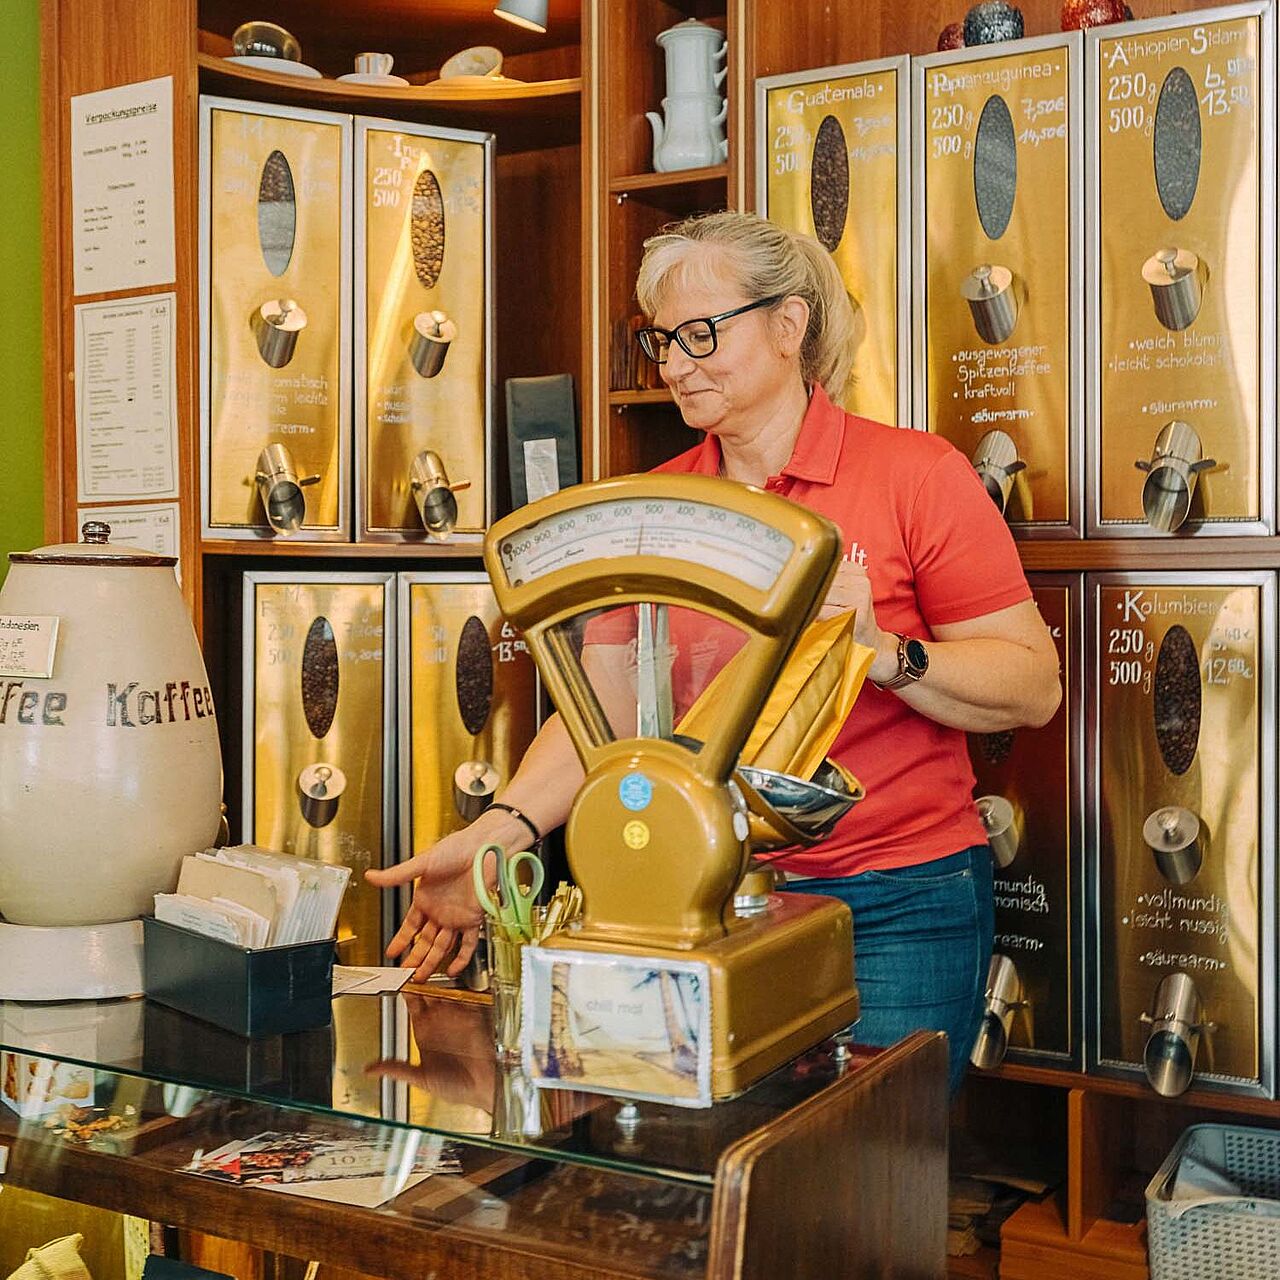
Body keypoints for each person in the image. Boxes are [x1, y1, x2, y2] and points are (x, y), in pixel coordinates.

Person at [367, 210, 1062, 1095]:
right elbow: (605, 714)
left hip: (898, 903)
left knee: (860, 1177)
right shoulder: (653, 505)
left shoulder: (915, 475)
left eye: (702, 333)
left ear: (788, 325)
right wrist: (500, 832)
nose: (677, 363)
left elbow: (1030, 684)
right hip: (699, 898)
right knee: (708, 1177)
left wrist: (883, 652)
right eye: (662, 340)